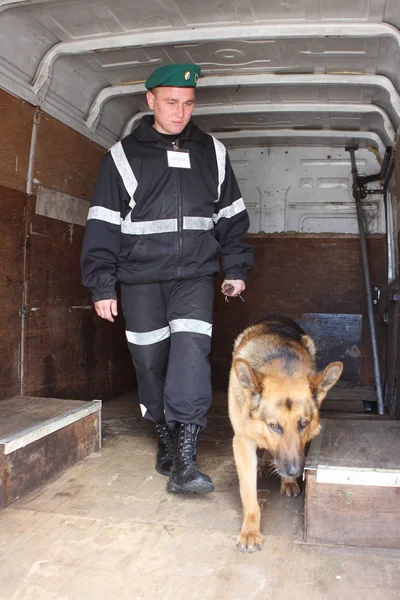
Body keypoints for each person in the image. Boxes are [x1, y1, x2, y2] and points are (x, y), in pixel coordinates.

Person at [81, 63, 254, 495]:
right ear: (151, 101)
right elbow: (102, 223)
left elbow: (230, 216)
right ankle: (165, 437)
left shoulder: (212, 152)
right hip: (139, 279)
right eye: (171, 102)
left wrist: (234, 269)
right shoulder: (122, 156)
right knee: (150, 361)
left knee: (192, 356)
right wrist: (102, 285)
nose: (180, 112)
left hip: (195, 275)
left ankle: (185, 458)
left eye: (189, 103)